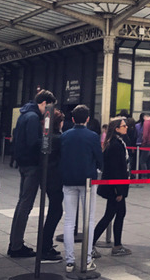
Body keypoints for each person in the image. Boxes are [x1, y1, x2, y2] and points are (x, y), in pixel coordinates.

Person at [8, 89, 57, 258]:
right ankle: (16, 245)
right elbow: (32, 142)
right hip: (31, 164)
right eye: (49, 107)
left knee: (23, 202)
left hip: (23, 162)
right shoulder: (33, 117)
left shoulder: (25, 114)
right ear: (43, 103)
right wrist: (47, 141)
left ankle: (15, 242)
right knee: (25, 204)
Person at [60, 105, 102, 273]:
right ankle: (87, 259)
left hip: (68, 180)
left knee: (69, 221)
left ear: (72, 119)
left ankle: (70, 261)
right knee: (89, 220)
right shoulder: (92, 136)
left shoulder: (65, 136)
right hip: (88, 181)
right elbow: (99, 157)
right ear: (87, 119)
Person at [93, 118, 132, 256]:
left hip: (117, 186)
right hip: (115, 187)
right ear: (116, 128)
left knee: (118, 214)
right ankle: (91, 244)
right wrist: (118, 190)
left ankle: (117, 245)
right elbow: (116, 170)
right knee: (110, 215)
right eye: (123, 126)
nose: (126, 127)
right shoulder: (115, 145)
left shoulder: (117, 142)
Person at [39, 109, 65, 263]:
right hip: (55, 179)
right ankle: (45, 247)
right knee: (55, 212)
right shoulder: (58, 138)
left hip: (47, 179)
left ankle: (46, 244)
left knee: (55, 211)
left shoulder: (46, 137)